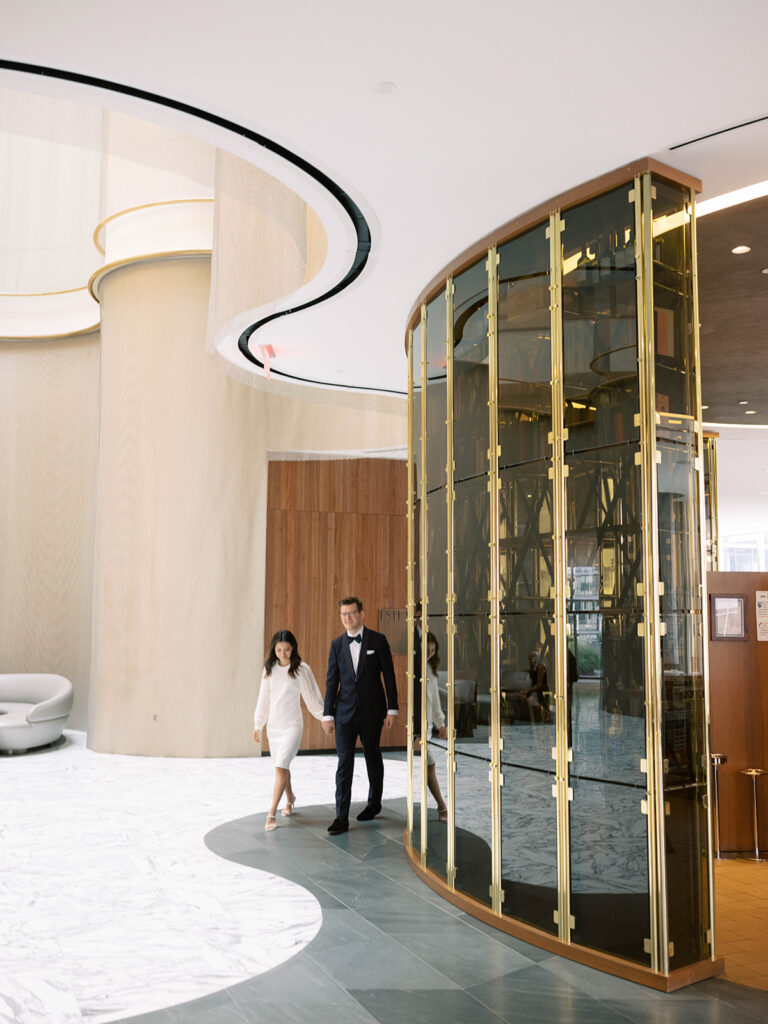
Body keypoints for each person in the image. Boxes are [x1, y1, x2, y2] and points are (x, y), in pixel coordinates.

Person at [322, 596, 399, 835]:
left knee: (372, 757)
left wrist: (392, 708)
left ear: (361, 613)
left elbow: (389, 676)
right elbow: (331, 681)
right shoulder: (337, 644)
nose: (348, 618)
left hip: (372, 712)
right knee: (344, 762)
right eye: (344, 614)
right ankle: (341, 817)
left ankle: (374, 803)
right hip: (343, 714)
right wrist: (327, 714)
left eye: (352, 613)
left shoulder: (378, 640)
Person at [253, 629, 325, 831]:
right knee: (281, 766)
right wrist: (258, 724)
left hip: (292, 726)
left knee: (281, 766)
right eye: (278, 650)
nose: (283, 654)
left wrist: (324, 716)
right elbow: (263, 699)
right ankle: (290, 798)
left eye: (286, 650)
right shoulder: (269, 671)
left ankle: (271, 813)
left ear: (293, 648)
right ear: (273, 650)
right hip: (274, 728)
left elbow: (313, 697)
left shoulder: (301, 669)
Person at [415, 632, 448, 822]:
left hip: (425, 728)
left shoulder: (429, 669)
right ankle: (441, 806)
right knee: (429, 766)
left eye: (433, 650)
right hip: (416, 728)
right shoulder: (415, 669)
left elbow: (434, 700)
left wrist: (440, 723)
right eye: (426, 649)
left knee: (430, 766)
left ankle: (441, 806)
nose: (429, 653)